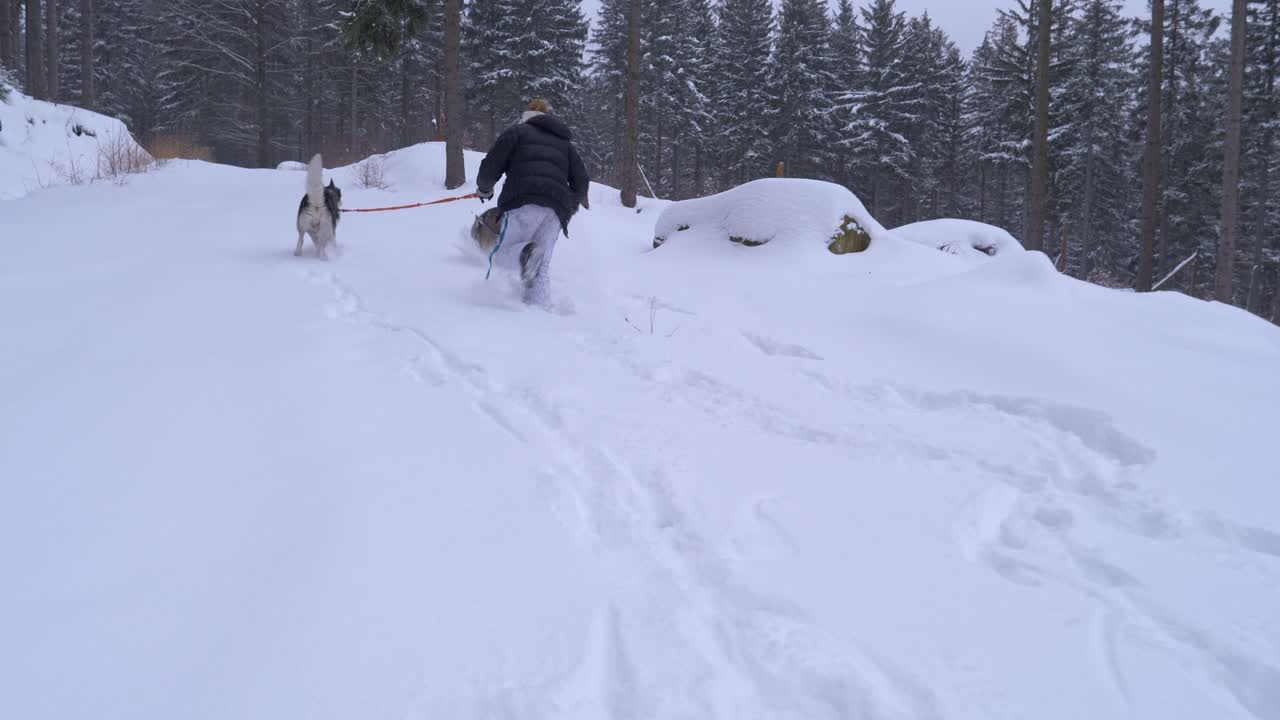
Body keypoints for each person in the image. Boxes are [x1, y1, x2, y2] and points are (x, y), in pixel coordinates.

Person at [475, 98, 590, 306]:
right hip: (556, 210)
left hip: (524, 201)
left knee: (502, 253)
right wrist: (569, 206)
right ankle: (538, 313)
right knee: (541, 266)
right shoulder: (565, 145)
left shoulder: (517, 133)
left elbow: (491, 164)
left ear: (528, 115)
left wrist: (484, 189)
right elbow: (582, 183)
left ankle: (525, 254)